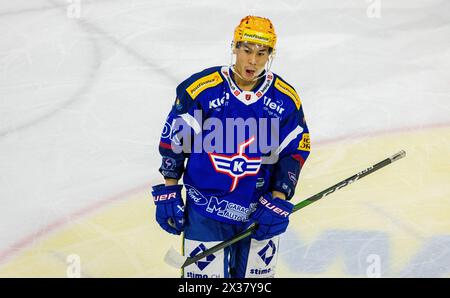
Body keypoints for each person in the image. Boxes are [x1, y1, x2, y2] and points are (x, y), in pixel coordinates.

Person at [151, 16, 310, 278]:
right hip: (206, 210)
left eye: (262, 53)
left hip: (259, 213)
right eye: (247, 50)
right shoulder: (201, 90)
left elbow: (294, 151)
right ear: (234, 47)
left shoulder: (284, 99)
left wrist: (279, 197)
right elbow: (176, 143)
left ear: (271, 54)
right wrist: (169, 189)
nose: (253, 61)